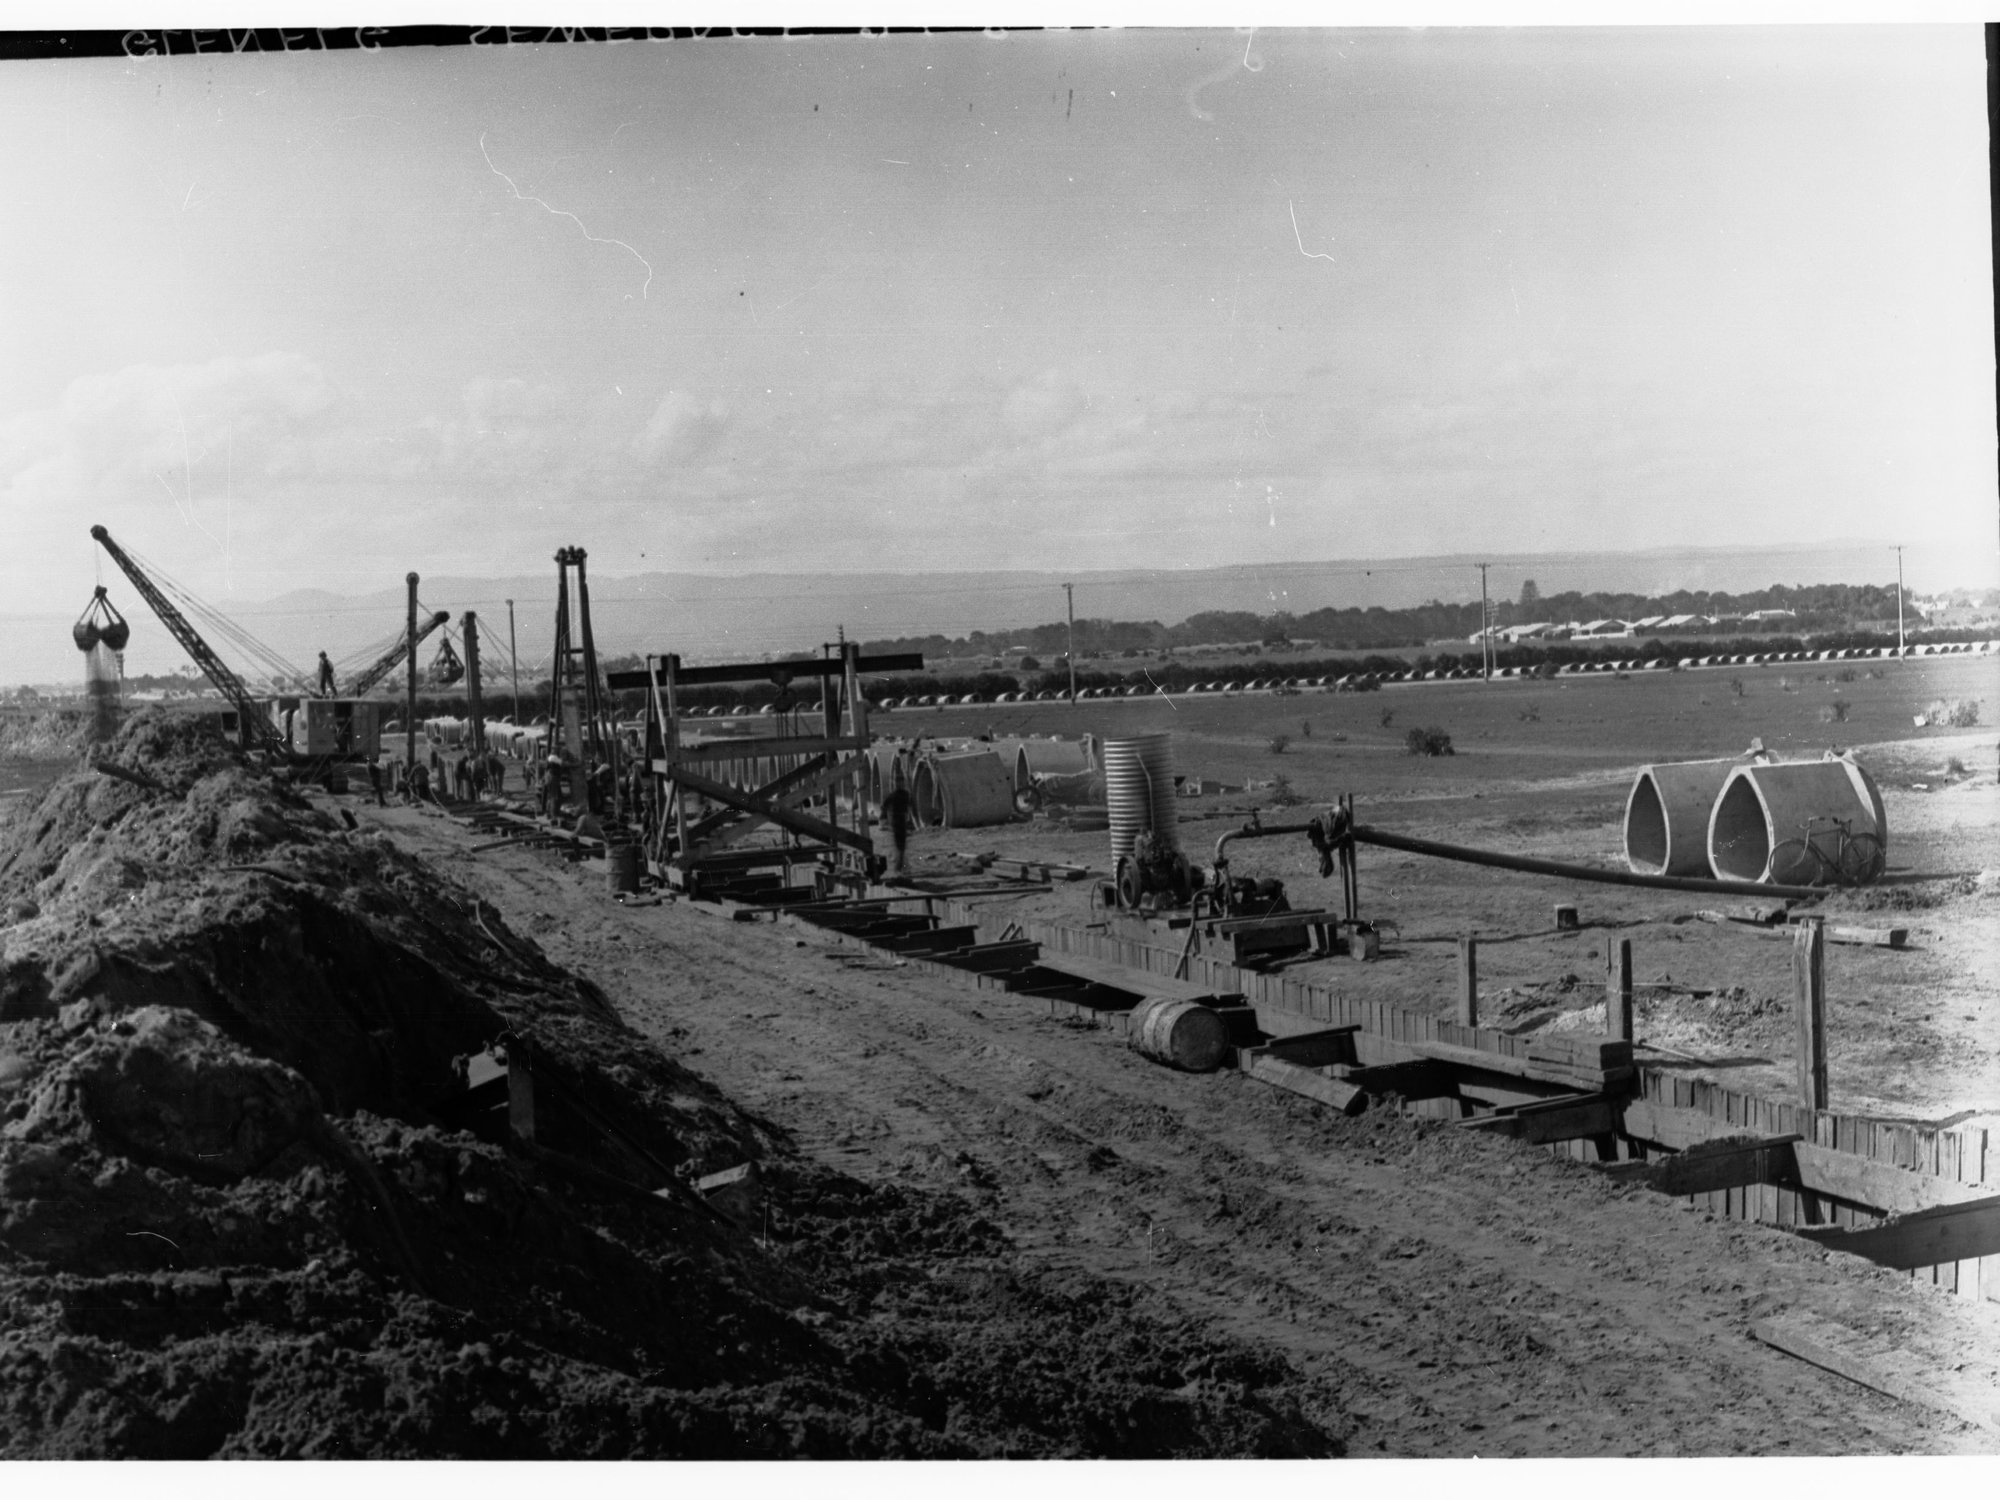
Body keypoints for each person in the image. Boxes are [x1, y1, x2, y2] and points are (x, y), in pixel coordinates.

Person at [882, 759, 913, 875]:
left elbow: (911, 807)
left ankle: (899, 866)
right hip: (896, 823)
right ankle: (899, 866)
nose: (898, 784)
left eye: (900, 782)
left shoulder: (903, 795)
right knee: (899, 845)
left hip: (900, 822)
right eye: (897, 782)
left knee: (901, 846)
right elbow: (884, 807)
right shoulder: (895, 795)